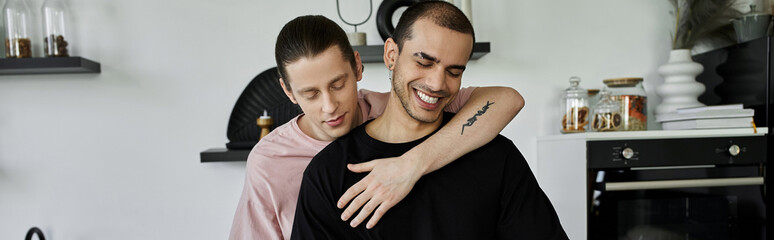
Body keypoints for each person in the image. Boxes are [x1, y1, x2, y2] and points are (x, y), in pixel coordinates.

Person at [229, 14, 525, 239]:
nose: (329, 105)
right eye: (311, 94)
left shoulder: (399, 110)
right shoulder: (269, 162)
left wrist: (412, 163)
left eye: (338, 84)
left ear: (357, 67)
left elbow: (506, 99)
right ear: (288, 92)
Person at [290, 2, 567, 239]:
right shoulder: (328, 174)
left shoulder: (497, 157)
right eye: (423, 62)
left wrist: (412, 164)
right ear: (391, 55)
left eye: (454, 71)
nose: (437, 83)